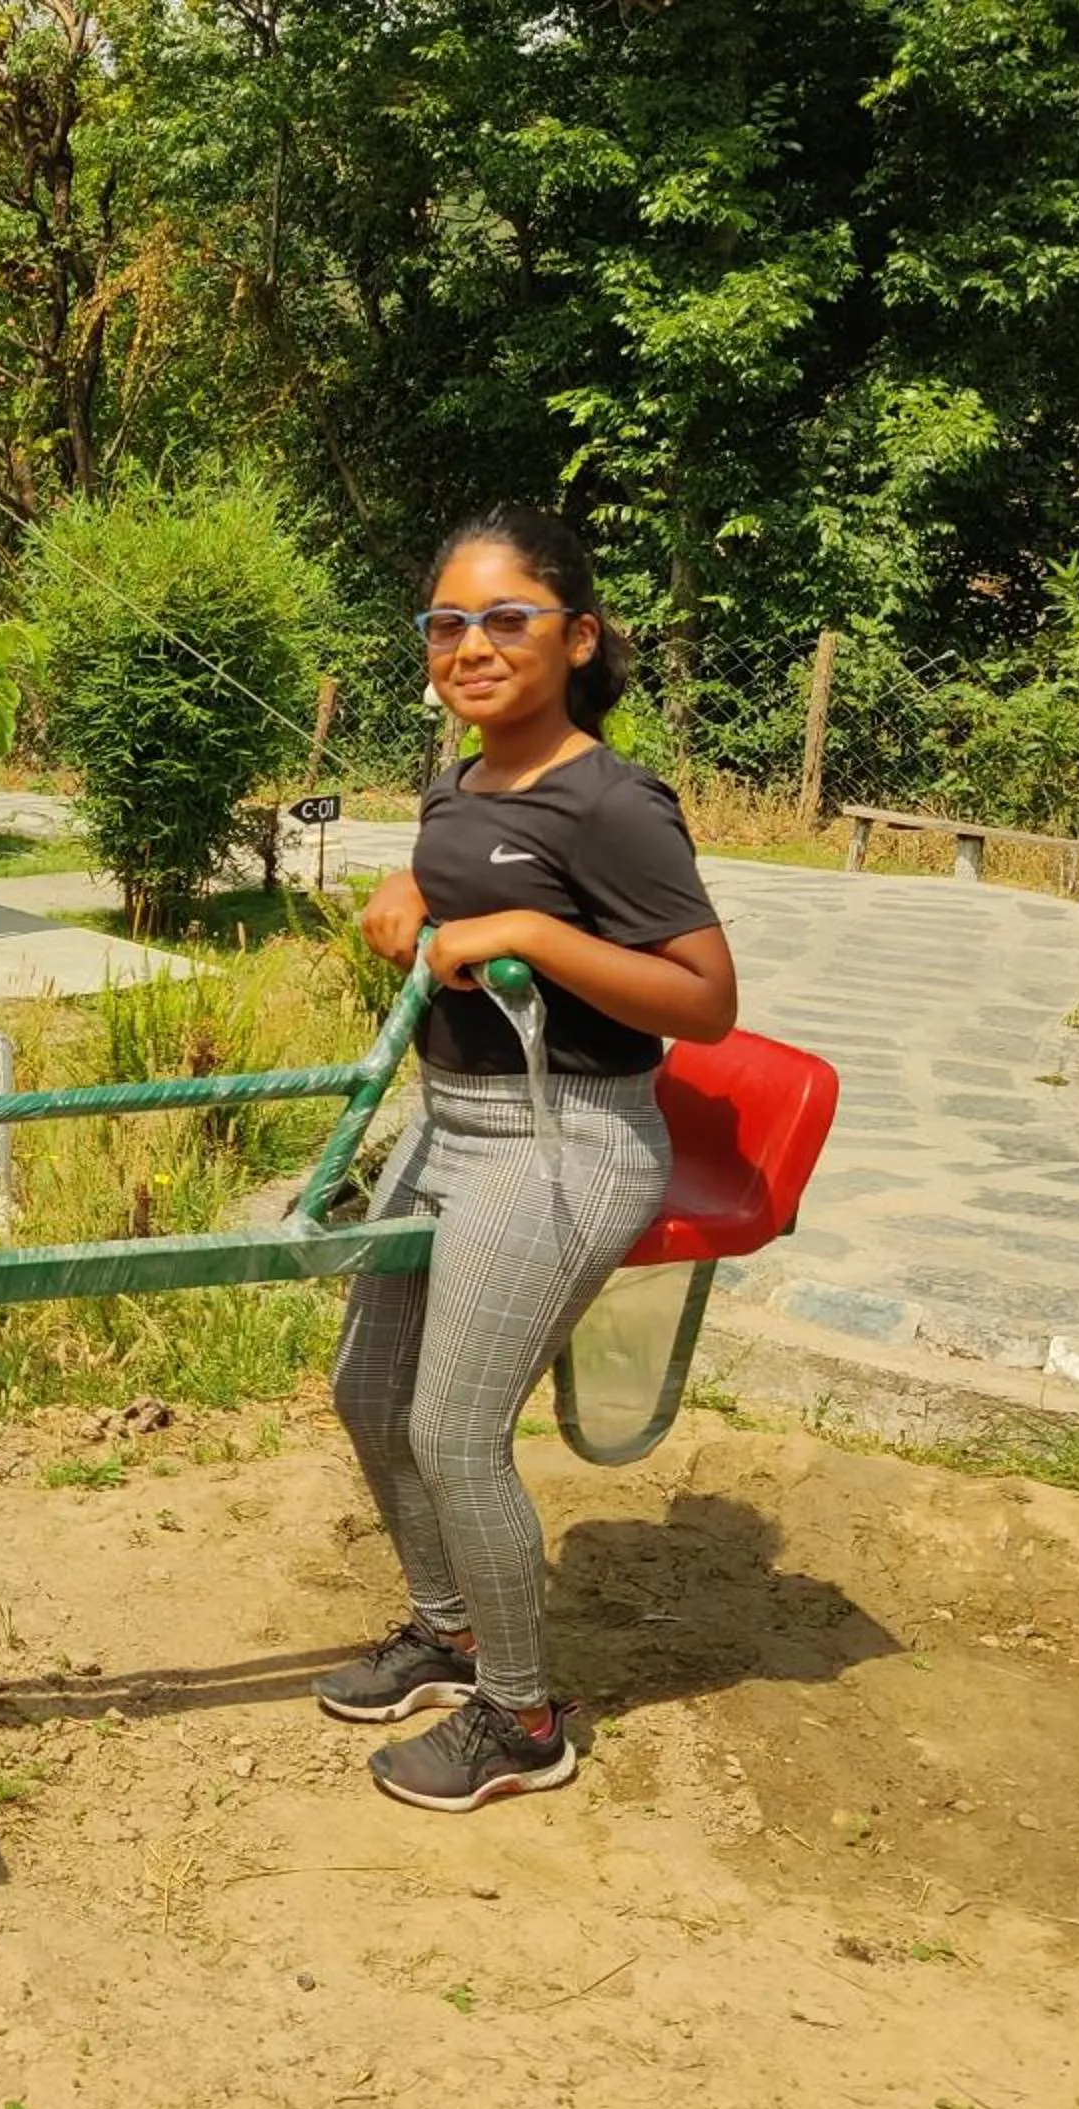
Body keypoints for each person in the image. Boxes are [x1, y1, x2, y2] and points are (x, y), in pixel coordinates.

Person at [315, 508, 737, 1813]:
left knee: (455, 1428)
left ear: (580, 635)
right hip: (449, 1122)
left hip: (569, 1137)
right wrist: (410, 896)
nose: (472, 644)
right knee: (368, 1397)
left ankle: (523, 1714)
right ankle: (448, 1633)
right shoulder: (462, 776)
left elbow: (706, 998)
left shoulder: (615, 802)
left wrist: (525, 936)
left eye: (507, 618)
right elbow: (464, 887)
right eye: (448, 622)